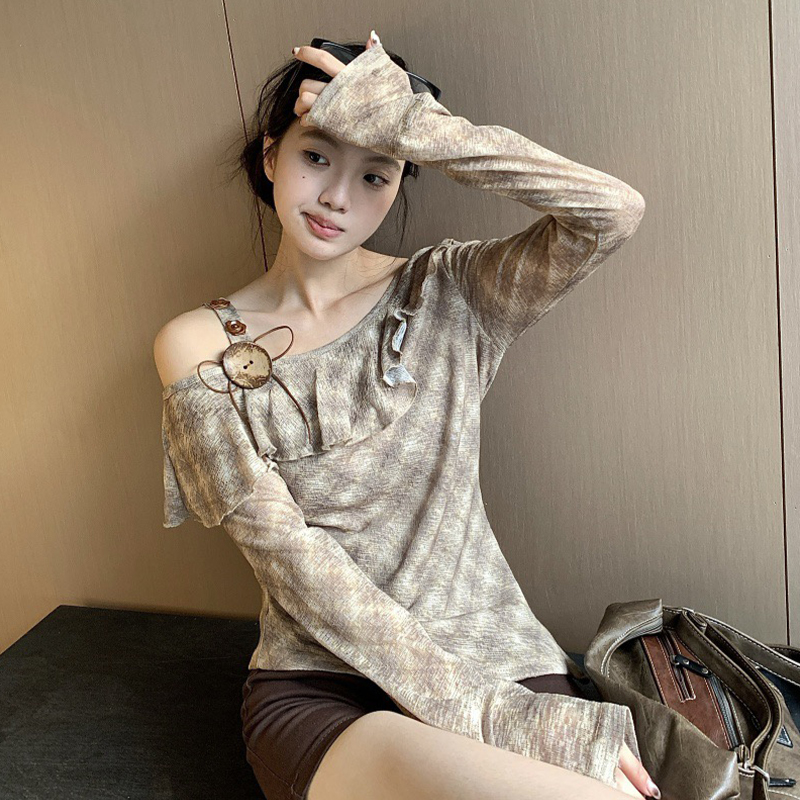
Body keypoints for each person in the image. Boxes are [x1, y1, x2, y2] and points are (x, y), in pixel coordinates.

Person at [154, 29, 659, 800]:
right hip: (322, 684)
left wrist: (416, 125)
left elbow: (612, 212)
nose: (337, 197)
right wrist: (489, 717)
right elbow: (291, 560)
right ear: (271, 156)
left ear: (400, 181)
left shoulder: (453, 291)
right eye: (316, 156)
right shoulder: (196, 344)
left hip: (492, 655)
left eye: (375, 173)